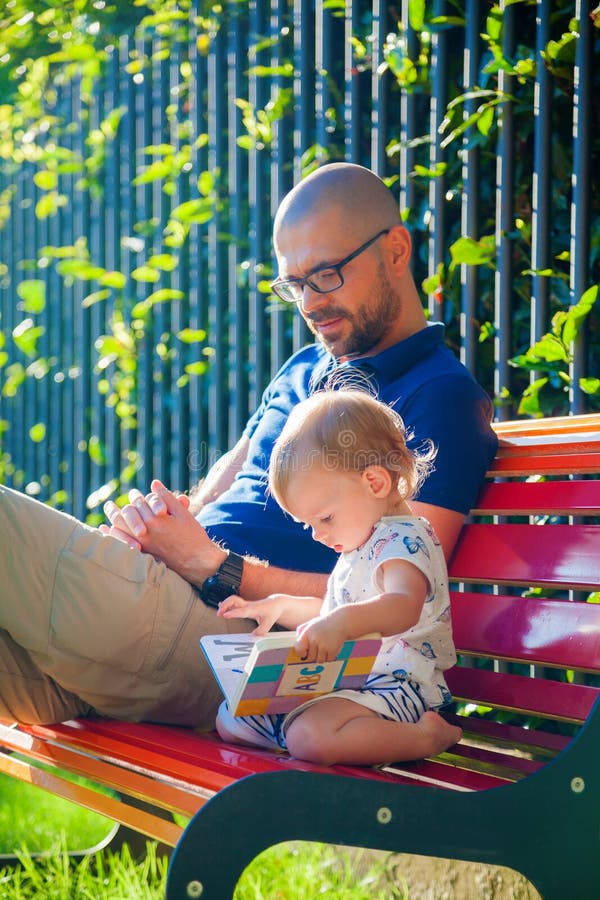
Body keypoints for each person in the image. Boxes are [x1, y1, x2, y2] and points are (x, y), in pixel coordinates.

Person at [0, 163, 497, 728]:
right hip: (159, 610)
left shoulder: (441, 396)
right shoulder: (302, 367)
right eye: (295, 284)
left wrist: (216, 566)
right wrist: (159, 526)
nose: (309, 303)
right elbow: (221, 488)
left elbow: (410, 593)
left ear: (397, 250)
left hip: (247, 642)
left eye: (327, 274)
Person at [215, 389, 463, 766]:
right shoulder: (360, 544)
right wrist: (279, 605)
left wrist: (341, 623)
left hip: (401, 685)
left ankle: (422, 738)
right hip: (351, 680)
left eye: (324, 518)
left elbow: (403, 606)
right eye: (308, 524)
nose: (317, 534)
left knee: (311, 738)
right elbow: (332, 611)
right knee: (230, 718)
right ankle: (300, 734)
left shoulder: (405, 540)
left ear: (375, 483)